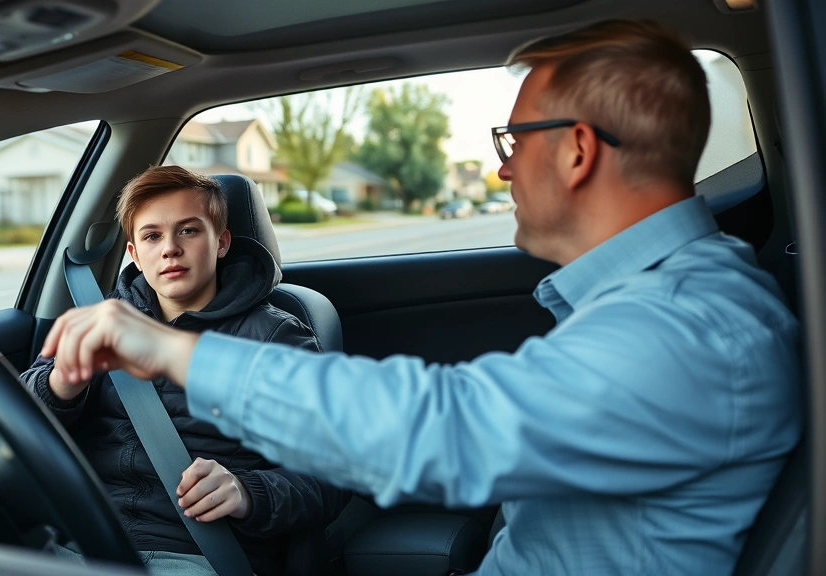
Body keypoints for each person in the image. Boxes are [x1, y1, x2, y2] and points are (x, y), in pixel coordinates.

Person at [39, 20, 802, 576]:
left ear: (576, 150)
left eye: (513, 141)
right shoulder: (662, 304)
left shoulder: (687, 328)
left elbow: (445, 430)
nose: (502, 170)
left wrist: (176, 353)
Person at [21, 165, 348, 575]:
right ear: (134, 254)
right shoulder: (102, 320)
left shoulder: (274, 337)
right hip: (82, 537)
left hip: (196, 551)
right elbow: (15, 415)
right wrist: (61, 384)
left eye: (188, 231)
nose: (170, 249)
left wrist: (247, 492)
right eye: (152, 236)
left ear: (221, 242)